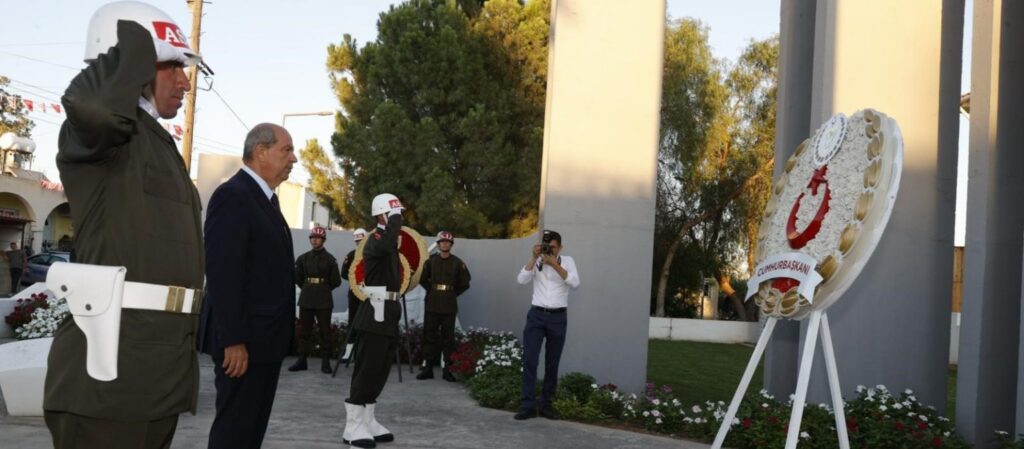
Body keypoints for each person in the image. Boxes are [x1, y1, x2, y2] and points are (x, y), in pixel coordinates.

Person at [43, 3, 207, 448]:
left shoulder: (152, 139)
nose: (184, 81)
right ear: (130, 65)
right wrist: (135, 41)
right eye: (171, 65)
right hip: (109, 381)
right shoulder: (103, 135)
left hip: (157, 374)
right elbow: (91, 103)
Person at [198, 123, 297, 449]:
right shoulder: (234, 196)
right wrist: (234, 340)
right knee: (234, 433)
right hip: (244, 346)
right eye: (286, 150)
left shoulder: (266, 200)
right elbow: (225, 274)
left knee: (250, 433)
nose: (293, 159)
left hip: (264, 343)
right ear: (260, 151)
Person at [343, 193, 404, 448]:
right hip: (375, 311)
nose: (399, 220)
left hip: (389, 309)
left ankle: (367, 419)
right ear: (382, 214)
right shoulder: (376, 238)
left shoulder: (389, 241)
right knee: (367, 368)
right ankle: (352, 426)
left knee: (379, 370)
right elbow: (387, 241)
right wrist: (395, 219)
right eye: (394, 214)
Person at [513, 230, 580, 421]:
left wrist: (555, 265)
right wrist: (533, 258)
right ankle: (527, 405)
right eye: (546, 246)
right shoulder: (537, 261)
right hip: (536, 316)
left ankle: (546, 405)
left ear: (560, 247)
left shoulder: (568, 261)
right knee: (530, 360)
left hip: (558, 318)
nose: (549, 250)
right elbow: (521, 280)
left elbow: (575, 283)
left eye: (552, 247)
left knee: (552, 362)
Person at [416, 231, 471, 381]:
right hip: (432, 303)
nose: (445, 244)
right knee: (429, 335)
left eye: (448, 242)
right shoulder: (430, 261)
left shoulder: (458, 263)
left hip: (449, 304)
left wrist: (452, 293)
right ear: (438, 244)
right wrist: (433, 290)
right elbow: (422, 279)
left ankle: (448, 370)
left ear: (451, 244)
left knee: (448, 338)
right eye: (442, 242)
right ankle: (427, 368)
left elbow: (465, 283)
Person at [289, 225, 342, 373]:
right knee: (304, 331)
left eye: (318, 238)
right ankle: (301, 360)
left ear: (323, 240)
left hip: (324, 299)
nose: (315, 241)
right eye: (313, 238)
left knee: (325, 331)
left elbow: (336, 281)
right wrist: (309, 287)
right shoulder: (303, 258)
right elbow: (298, 278)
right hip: (307, 297)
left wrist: (323, 288)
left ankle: (326, 362)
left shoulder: (330, 259)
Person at [339, 228, 367, 362]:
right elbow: (343, 273)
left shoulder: (373, 255)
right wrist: (355, 280)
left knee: (369, 322)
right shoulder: (351, 255)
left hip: (370, 293)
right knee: (353, 321)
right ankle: (348, 353)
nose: (359, 243)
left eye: (361, 240)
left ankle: (364, 353)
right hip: (354, 291)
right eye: (357, 241)